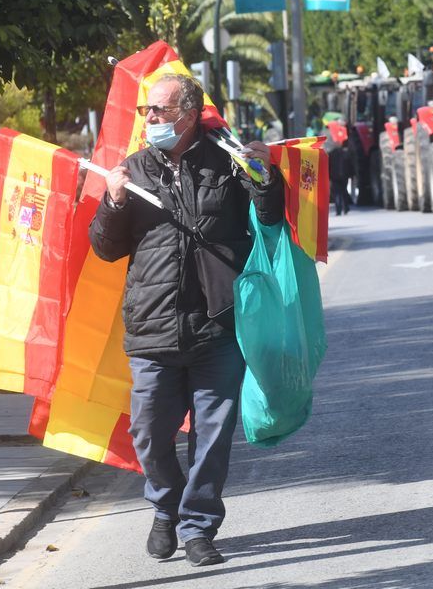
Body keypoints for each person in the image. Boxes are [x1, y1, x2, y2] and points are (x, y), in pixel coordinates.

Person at [89, 74, 283, 568]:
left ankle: (198, 528)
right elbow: (105, 248)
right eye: (145, 112)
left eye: (158, 111)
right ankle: (165, 506)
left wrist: (264, 174)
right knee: (150, 434)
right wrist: (113, 202)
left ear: (190, 113)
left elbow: (270, 214)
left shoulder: (227, 158)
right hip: (152, 327)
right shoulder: (132, 170)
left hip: (217, 323)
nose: (149, 119)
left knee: (212, 437)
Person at [327, 142, 354, 216]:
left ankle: (338, 209)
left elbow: (328, 166)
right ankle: (346, 208)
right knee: (344, 192)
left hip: (334, 176)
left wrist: (328, 177)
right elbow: (350, 165)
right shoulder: (346, 154)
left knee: (337, 194)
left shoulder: (331, 154)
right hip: (344, 176)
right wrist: (351, 175)